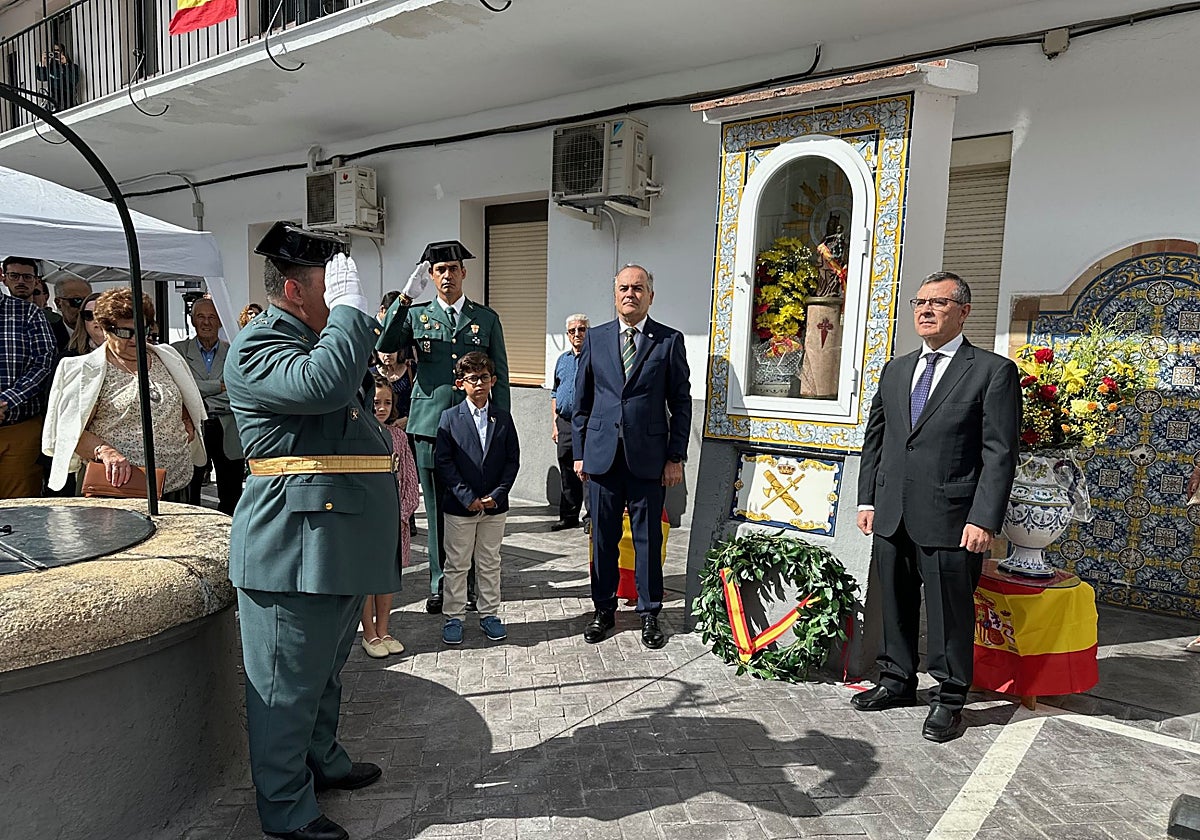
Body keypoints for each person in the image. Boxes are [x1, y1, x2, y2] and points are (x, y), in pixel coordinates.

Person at [224, 222, 399, 840]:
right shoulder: (257, 345)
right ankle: (285, 809)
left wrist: (358, 320)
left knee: (324, 672)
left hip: (331, 541)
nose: (344, 294)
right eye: (333, 284)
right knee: (285, 687)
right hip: (292, 546)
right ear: (296, 290)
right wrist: (350, 314)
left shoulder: (314, 339)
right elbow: (323, 385)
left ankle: (323, 761)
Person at [854, 270, 1021, 744]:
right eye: (920, 302)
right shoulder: (896, 369)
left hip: (952, 517)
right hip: (892, 511)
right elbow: (877, 439)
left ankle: (949, 697)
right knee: (894, 600)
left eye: (939, 303)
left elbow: (999, 452)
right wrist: (867, 498)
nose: (926, 310)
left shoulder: (991, 371)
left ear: (963, 312)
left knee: (949, 611)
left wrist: (983, 518)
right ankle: (896, 679)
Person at [378, 240, 509, 614]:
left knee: (473, 507)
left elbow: (499, 374)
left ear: (463, 272)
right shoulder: (417, 315)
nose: (447, 275)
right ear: (432, 277)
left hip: (475, 428)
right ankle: (440, 583)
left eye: (453, 269)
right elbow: (386, 342)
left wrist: (500, 427)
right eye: (439, 270)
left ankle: (470, 583)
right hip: (430, 426)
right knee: (436, 510)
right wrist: (405, 298)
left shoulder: (486, 319)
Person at [573, 264, 691, 650]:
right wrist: (580, 453)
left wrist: (675, 456)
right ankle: (603, 610)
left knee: (647, 539)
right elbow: (582, 402)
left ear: (650, 296)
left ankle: (650, 612)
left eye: (638, 288)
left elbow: (681, 403)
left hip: (649, 459)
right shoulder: (596, 338)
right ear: (615, 295)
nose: (630, 294)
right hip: (602, 457)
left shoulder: (668, 341)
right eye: (623, 288)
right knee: (603, 539)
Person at [42, 289, 207, 502]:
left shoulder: (166, 357)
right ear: (105, 329)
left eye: (142, 330)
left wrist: (186, 419)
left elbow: (179, 398)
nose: (135, 339)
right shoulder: (86, 371)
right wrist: (104, 451)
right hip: (118, 490)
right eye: (125, 332)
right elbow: (69, 432)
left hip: (175, 481)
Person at [435, 352, 520, 645]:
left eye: (484, 377)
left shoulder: (503, 418)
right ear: (461, 383)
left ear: (493, 380)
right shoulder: (449, 418)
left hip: (494, 507)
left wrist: (497, 495)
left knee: (489, 562)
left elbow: (512, 460)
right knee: (457, 563)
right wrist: (466, 496)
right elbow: (444, 462)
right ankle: (454, 616)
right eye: (473, 378)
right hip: (460, 507)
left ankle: (489, 614)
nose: (480, 384)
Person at [360, 375, 420, 659]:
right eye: (375, 402)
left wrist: (403, 513)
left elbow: (409, 478)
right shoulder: (358, 435)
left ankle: (384, 629)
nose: (381, 408)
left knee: (387, 576)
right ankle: (368, 633)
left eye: (387, 402)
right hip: (365, 520)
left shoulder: (398, 437)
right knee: (366, 577)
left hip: (394, 522)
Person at [173, 297, 245, 514]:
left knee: (231, 496)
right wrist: (219, 386)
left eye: (212, 317)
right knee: (190, 494)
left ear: (220, 321)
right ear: (192, 320)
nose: (206, 322)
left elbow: (241, 391)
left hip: (228, 430)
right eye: (201, 317)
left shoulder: (235, 352)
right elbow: (178, 389)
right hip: (193, 429)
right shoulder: (177, 352)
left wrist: (196, 392)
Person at [0, 265, 56, 499]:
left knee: (19, 507)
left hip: (18, 426)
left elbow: (45, 362)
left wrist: (5, 401)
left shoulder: (27, 312)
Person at [550, 313, 589, 532]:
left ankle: (591, 517)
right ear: (567, 334)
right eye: (572, 330)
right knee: (566, 469)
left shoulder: (595, 358)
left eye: (581, 329)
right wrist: (554, 423)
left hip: (588, 424)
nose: (577, 334)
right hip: (564, 422)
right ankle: (569, 516)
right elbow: (555, 392)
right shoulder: (562, 360)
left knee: (589, 470)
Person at [29, 276, 70, 354]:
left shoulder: (56, 320)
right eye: (27, 293)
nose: (31, 297)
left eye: (36, 293)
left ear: (46, 296)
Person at [35, 44, 79, 112]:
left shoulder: (73, 67)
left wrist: (66, 64)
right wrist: (42, 62)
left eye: (59, 51)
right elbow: (41, 77)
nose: (56, 53)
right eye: (54, 51)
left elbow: (74, 80)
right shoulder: (51, 69)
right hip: (53, 101)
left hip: (68, 99)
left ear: (63, 52)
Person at [64, 292, 104, 357]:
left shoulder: (122, 354)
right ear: (83, 321)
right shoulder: (69, 358)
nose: (96, 320)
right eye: (88, 315)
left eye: (101, 314)